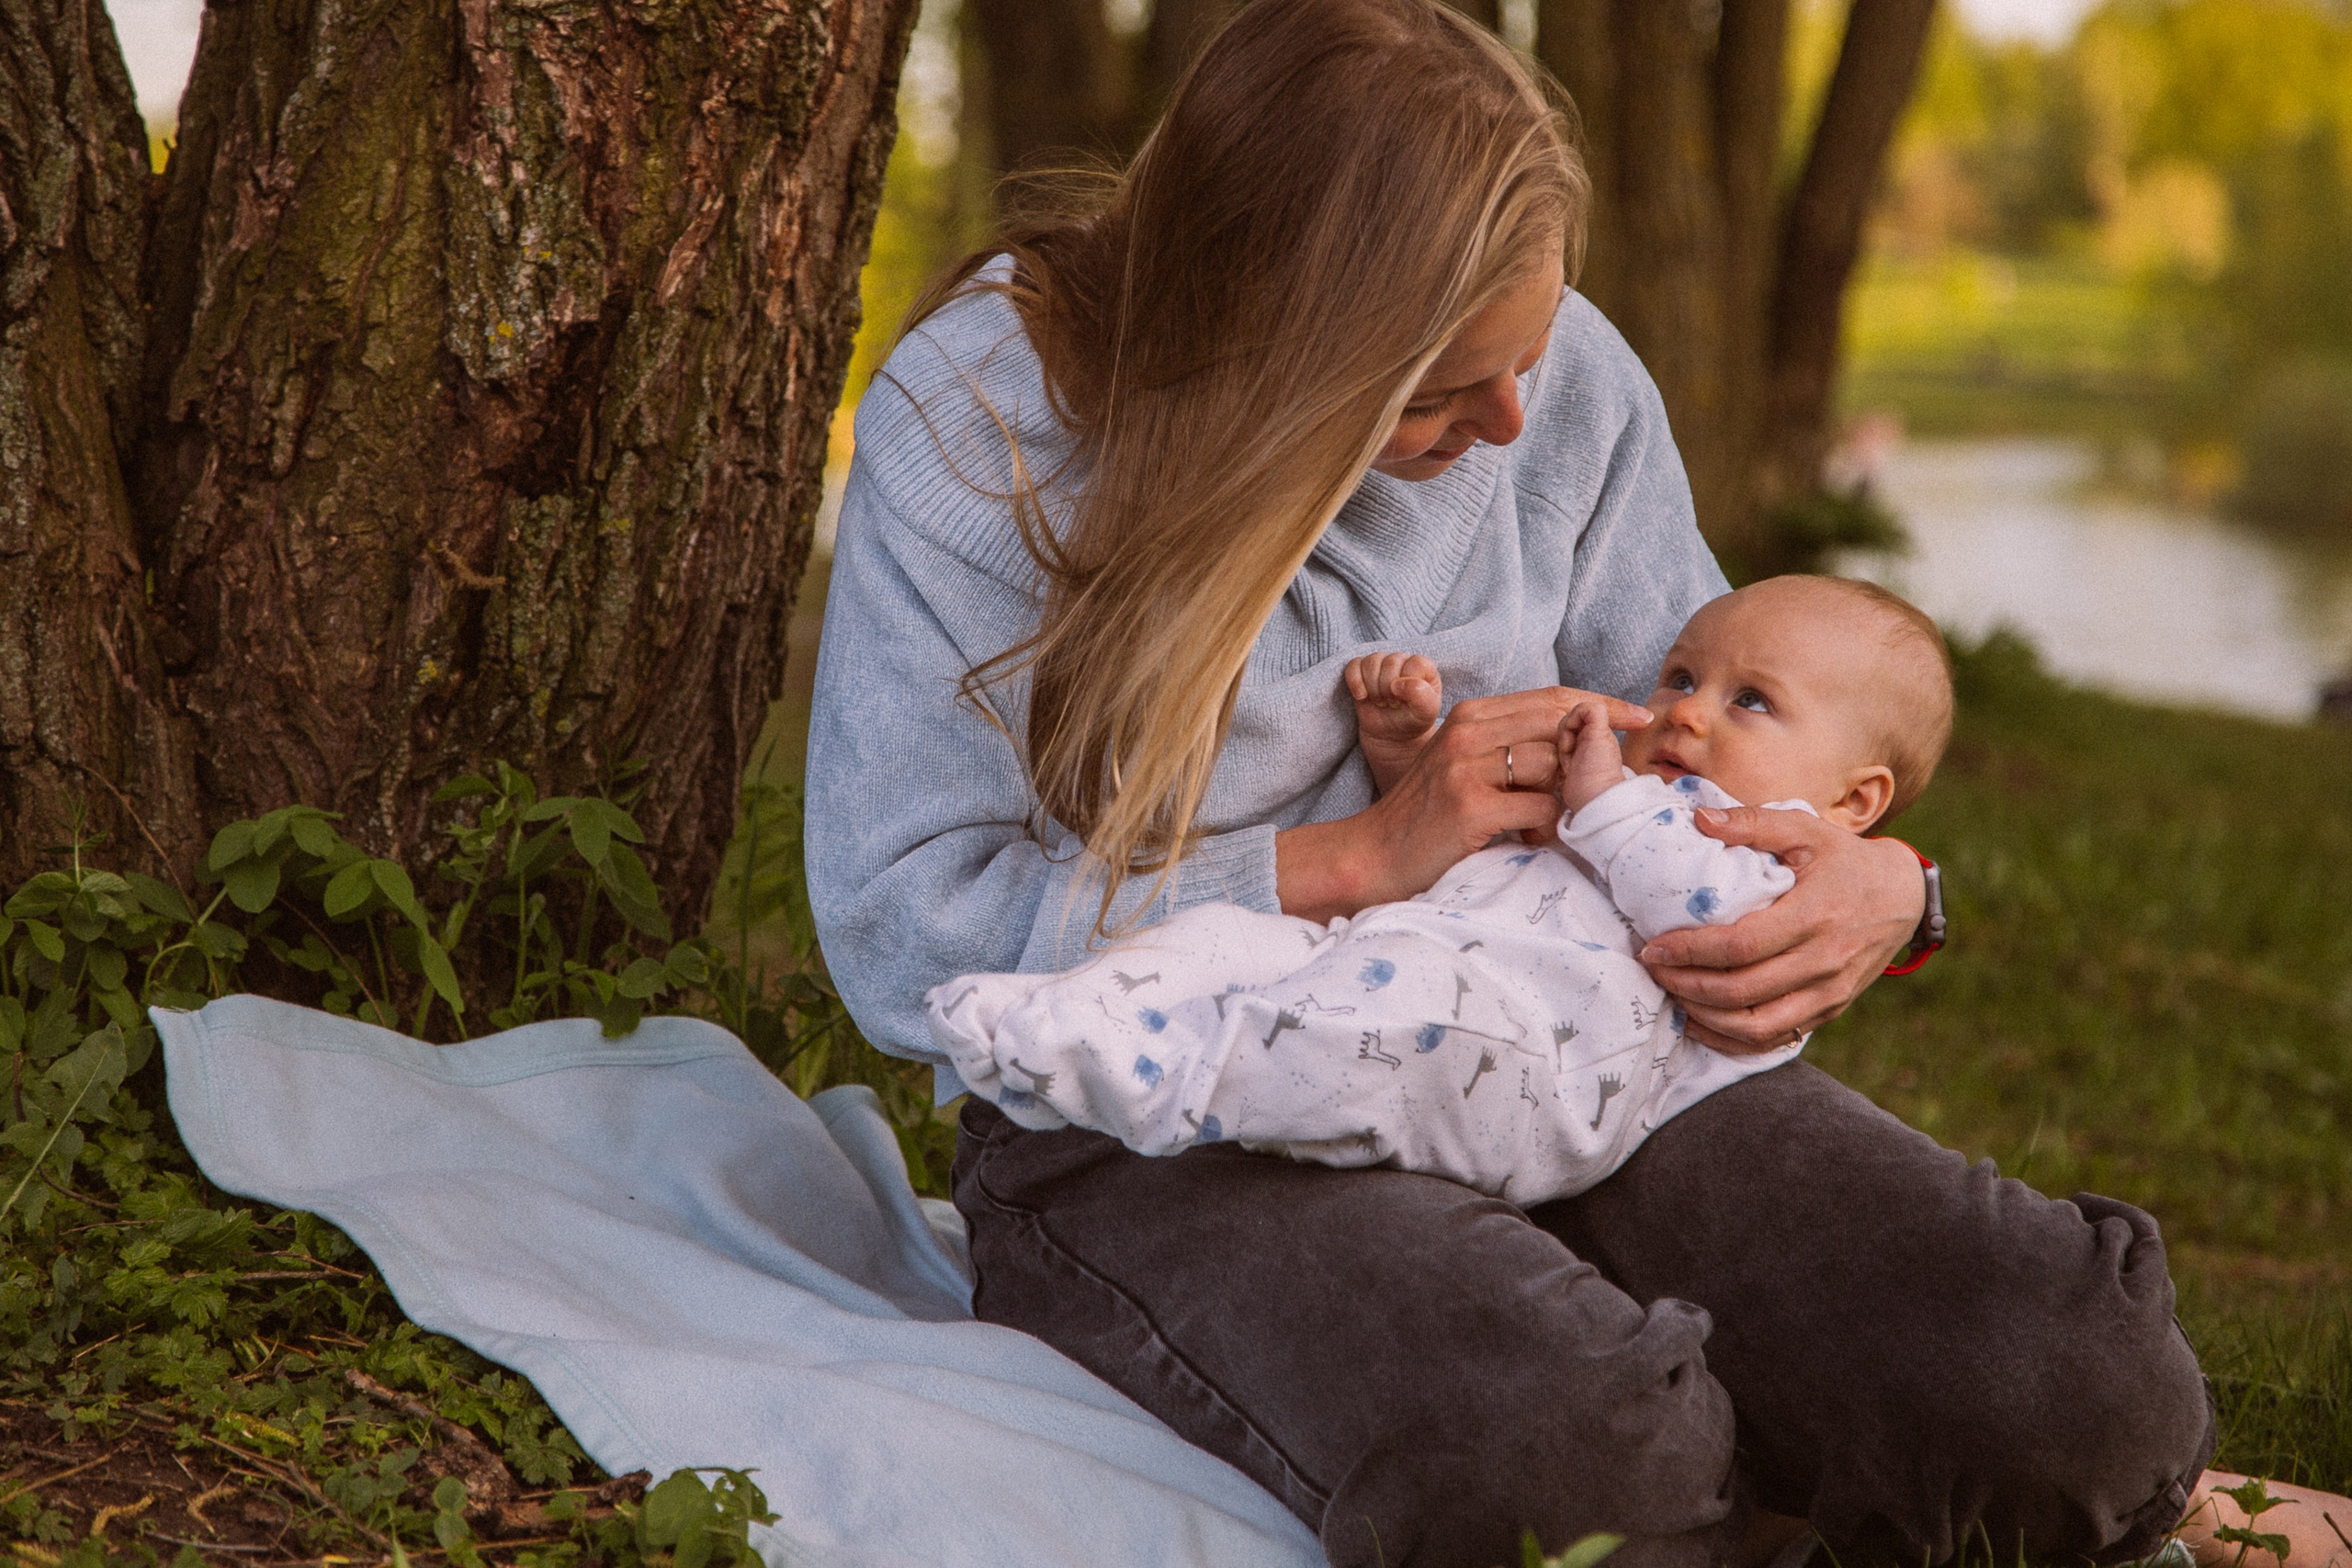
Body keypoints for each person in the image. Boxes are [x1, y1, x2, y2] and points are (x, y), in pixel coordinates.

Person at [803, 2, 2232, 1564]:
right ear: (1280, 339)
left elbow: (1714, 729)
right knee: (1576, 1462)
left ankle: (1652, 1389)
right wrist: (1357, 854)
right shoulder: (984, 422)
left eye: (1528, 362)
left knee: (2075, 1388)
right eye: (1435, 391)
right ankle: (1652, 1415)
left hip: (1576, 1053)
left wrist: (1890, 887)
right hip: (1166, 1105)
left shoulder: (1555, 386)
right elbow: (904, 928)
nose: (1506, 424)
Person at [921, 576, 1954, 1207]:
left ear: (1855, 799)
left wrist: (1604, 801)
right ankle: (1063, 1017)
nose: (1684, 714)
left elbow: (1707, 912)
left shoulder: (1777, 854)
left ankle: (1164, 1077)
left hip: (1522, 1069)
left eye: (1750, 701)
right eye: (1678, 677)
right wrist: (1406, 755)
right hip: (1393, 953)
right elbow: (1461, 844)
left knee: (1349, 1047)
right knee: (1233, 935)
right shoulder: (1637, 794)